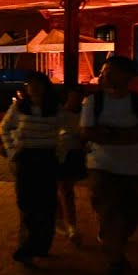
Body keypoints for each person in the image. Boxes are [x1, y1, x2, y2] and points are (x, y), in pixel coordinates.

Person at [81, 56, 138, 275]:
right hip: (102, 166)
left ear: (127, 76)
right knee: (110, 213)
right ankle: (114, 262)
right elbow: (87, 132)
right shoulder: (94, 102)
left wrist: (110, 134)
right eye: (103, 72)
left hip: (134, 168)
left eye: (111, 72)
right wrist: (126, 135)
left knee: (134, 215)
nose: (105, 76)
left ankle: (115, 247)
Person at [0, 71, 63, 268]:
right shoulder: (19, 107)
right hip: (26, 158)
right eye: (30, 85)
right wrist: (12, 150)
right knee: (26, 203)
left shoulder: (55, 109)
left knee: (46, 203)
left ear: (45, 87)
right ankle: (28, 246)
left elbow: (67, 131)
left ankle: (40, 245)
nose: (33, 88)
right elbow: (5, 127)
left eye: (37, 84)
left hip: (47, 158)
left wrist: (61, 152)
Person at [56, 86, 86, 245]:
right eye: (72, 97)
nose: (75, 101)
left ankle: (68, 223)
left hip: (74, 153)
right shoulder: (60, 114)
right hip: (59, 152)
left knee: (66, 190)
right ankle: (63, 221)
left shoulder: (83, 114)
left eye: (78, 98)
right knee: (61, 189)